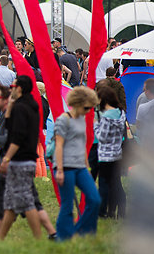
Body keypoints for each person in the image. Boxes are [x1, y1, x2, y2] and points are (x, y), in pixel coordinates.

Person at [0, 84, 57, 241]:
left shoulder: (15, 114)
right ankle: (50, 233)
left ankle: (38, 238)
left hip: (15, 164)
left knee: (20, 203)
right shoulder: (25, 109)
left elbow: (11, 140)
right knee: (16, 203)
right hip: (21, 161)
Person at [0, 76, 42, 240]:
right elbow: (9, 126)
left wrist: (6, 159)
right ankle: (0, 239)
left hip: (21, 159)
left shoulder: (21, 109)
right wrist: (10, 105)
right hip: (25, 158)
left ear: (19, 88)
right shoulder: (29, 105)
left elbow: (16, 137)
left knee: (27, 202)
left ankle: (38, 239)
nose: (10, 88)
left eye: (13, 86)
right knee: (10, 202)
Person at [53, 86, 101, 240]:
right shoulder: (63, 119)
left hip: (80, 167)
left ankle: (81, 230)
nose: (88, 111)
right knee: (67, 205)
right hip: (66, 166)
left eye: (90, 108)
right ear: (77, 103)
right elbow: (59, 145)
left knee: (95, 199)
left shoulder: (82, 119)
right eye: (86, 108)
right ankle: (63, 238)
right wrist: (59, 170)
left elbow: (82, 143)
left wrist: (87, 167)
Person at [94, 85, 126, 219]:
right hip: (117, 153)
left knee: (105, 184)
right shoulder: (120, 113)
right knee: (116, 183)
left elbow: (102, 137)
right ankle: (120, 210)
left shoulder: (106, 116)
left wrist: (96, 124)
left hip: (105, 155)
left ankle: (103, 211)